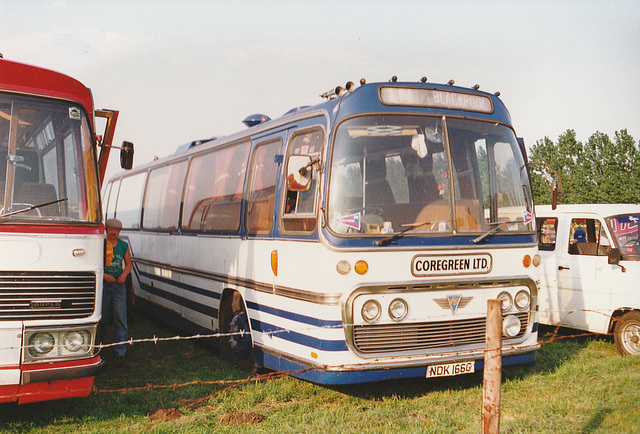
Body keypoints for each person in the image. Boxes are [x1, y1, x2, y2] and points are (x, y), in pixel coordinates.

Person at [102, 218, 132, 358]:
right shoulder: (101, 244)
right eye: (111, 229)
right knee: (102, 317)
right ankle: (98, 347)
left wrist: (124, 275)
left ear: (119, 231)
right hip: (104, 285)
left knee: (120, 316)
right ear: (106, 229)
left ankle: (121, 350)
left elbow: (128, 264)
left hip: (118, 286)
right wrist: (104, 276)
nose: (113, 232)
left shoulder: (123, 245)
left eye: (116, 230)